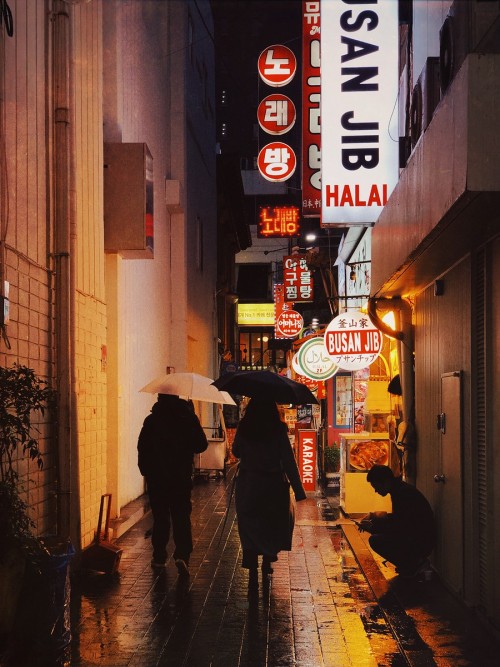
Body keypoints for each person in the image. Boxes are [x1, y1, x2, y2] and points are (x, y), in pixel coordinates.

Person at [231, 399, 306, 580]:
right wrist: (298, 489)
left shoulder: (245, 426)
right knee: (270, 520)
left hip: (249, 481)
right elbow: (288, 459)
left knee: (249, 518)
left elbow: (236, 451)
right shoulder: (278, 428)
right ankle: (267, 558)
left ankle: (250, 554)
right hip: (273, 482)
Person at [138, 393, 208, 575]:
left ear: (160, 399)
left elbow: (142, 447)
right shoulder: (187, 418)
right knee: (181, 516)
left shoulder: (152, 420)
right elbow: (201, 445)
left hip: (157, 477)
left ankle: (159, 556)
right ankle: (182, 555)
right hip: (180, 476)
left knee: (160, 516)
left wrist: (146, 470)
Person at [359, 464, 436, 578]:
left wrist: (373, 527)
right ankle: (411, 564)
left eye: (376, 486)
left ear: (385, 482)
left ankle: (414, 563)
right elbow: (399, 519)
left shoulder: (402, 494)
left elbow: (399, 525)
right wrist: (373, 516)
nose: (376, 491)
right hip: (421, 536)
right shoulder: (400, 490)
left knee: (375, 540)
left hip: (420, 541)